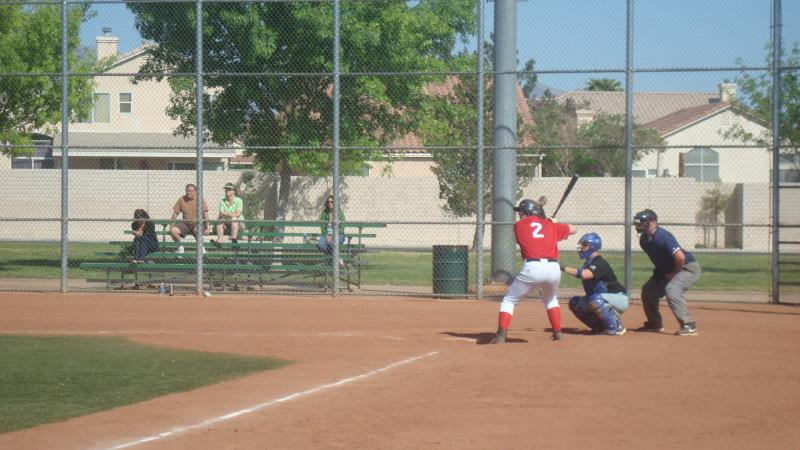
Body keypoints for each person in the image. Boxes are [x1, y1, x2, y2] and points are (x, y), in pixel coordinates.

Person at [490, 198, 577, 343]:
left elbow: (533, 234)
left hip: (533, 267)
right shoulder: (550, 225)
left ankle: (501, 334)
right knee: (550, 299)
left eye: (521, 212)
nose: (519, 214)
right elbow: (573, 229)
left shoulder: (518, 226)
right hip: (554, 268)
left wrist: (550, 225)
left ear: (528, 213)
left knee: (509, 300)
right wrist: (554, 224)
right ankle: (558, 333)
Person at [633, 209, 701, 336]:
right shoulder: (644, 240)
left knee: (672, 289)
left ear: (653, 223)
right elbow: (660, 259)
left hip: (686, 267)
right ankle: (655, 324)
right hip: (667, 270)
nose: (639, 226)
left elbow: (680, 257)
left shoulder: (661, 236)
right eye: (638, 224)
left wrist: (674, 273)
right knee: (648, 291)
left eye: (643, 223)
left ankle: (689, 325)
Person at [561, 232, 628, 335]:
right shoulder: (589, 263)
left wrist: (563, 267)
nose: (581, 248)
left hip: (618, 298)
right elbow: (580, 273)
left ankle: (617, 327)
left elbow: (585, 274)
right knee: (575, 303)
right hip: (601, 298)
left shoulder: (599, 262)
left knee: (595, 299)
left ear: (593, 247)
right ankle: (600, 327)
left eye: (584, 245)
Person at [169, 183, 210, 254]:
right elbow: (175, 214)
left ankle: (201, 247)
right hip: (185, 223)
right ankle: (180, 247)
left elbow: (205, 214)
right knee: (173, 230)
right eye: (187, 191)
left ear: (195, 192)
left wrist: (207, 228)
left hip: (197, 223)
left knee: (197, 230)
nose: (188, 192)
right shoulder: (181, 199)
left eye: (190, 191)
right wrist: (171, 226)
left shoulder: (200, 199)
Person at [211, 182, 244, 247]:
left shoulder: (239, 200)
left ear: (234, 191)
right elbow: (221, 214)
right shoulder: (222, 201)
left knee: (234, 219)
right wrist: (230, 214)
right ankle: (219, 241)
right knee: (220, 220)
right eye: (226, 189)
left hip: (238, 225)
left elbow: (237, 214)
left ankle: (233, 240)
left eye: (229, 189)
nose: (227, 191)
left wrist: (226, 214)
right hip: (225, 225)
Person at [318, 194, 346, 267]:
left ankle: (332, 260)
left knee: (331, 243)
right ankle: (338, 258)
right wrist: (327, 236)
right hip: (326, 235)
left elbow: (341, 228)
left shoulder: (340, 213)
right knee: (321, 245)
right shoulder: (324, 213)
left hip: (339, 235)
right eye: (328, 202)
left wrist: (332, 236)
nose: (330, 203)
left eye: (332, 202)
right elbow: (323, 228)